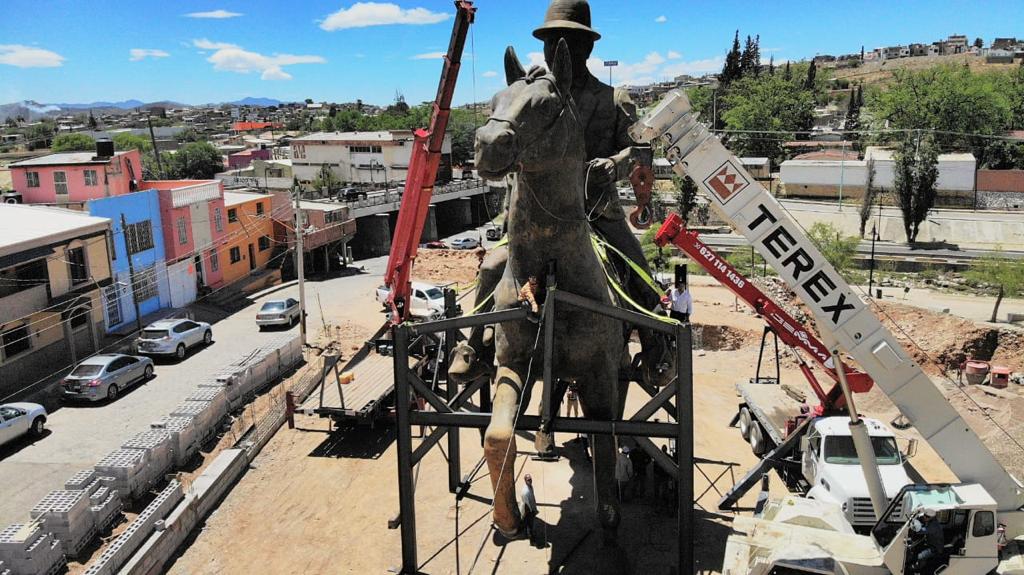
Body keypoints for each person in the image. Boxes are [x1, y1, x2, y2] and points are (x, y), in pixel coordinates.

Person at [911, 507, 945, 573]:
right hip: (930, 545)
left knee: (920, 556)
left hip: (936, 549)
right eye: (924, 515)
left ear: (931, 517)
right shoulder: (930, 521)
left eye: (927, 516)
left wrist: (914, 527)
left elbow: (921, 531)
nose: (924, 517)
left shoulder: (934, 525)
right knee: (916, 549)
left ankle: (920, 570)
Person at [520, 474, 539, 542]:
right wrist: (533, 511)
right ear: (525, 481)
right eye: (528, 480)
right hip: (528, 511)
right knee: (529, 525)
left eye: (530, 479)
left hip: (530, 508)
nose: (530, 481)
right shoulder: (525, 492)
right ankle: (531, 539)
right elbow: (527, 505)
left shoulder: (530, 487)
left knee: (529, 524)